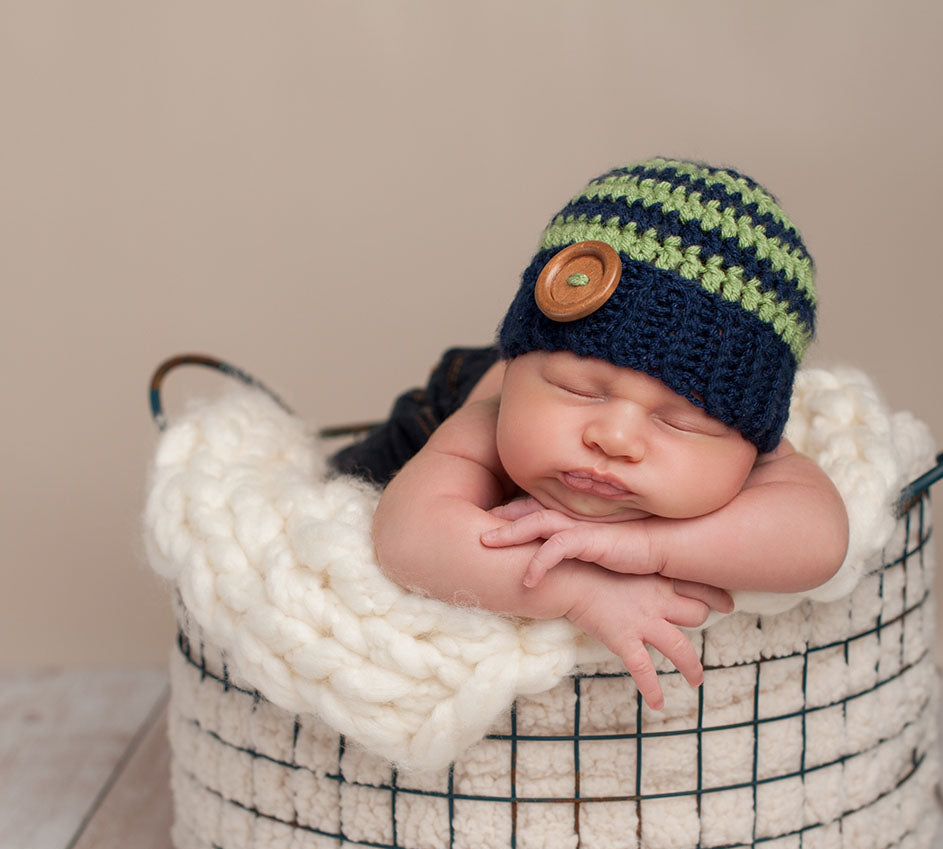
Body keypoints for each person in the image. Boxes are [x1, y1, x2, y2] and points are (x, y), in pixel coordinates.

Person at [357, 158, 848, 709]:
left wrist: (644, 549)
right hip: (432, 414)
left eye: (678, 420)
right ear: (517, 371)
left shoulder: (745, 435)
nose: (614, 437)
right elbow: (409, 537)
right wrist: (580, 588)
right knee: (344, 489)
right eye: (579, 390)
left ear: (752, 443)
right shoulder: (489, 419)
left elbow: (821, 541)